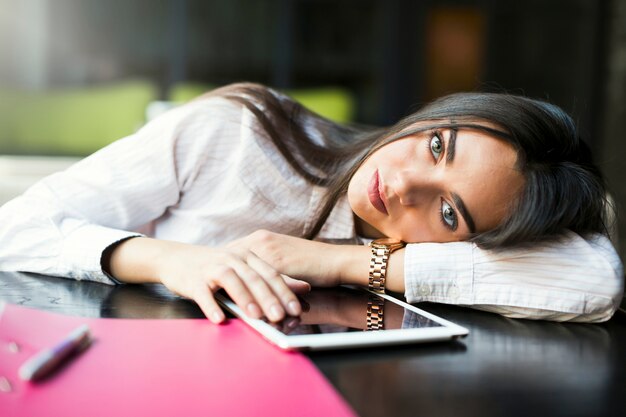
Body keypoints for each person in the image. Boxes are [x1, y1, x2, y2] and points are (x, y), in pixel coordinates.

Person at [0, 83, 622, 324]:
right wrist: (169, 260)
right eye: (437, 145)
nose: (404, 185)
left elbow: (594, 279)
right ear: (439, 114)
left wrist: (340, 262)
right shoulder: (235, 132)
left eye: (449, 212)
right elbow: (15, 228)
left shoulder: (413, 252)